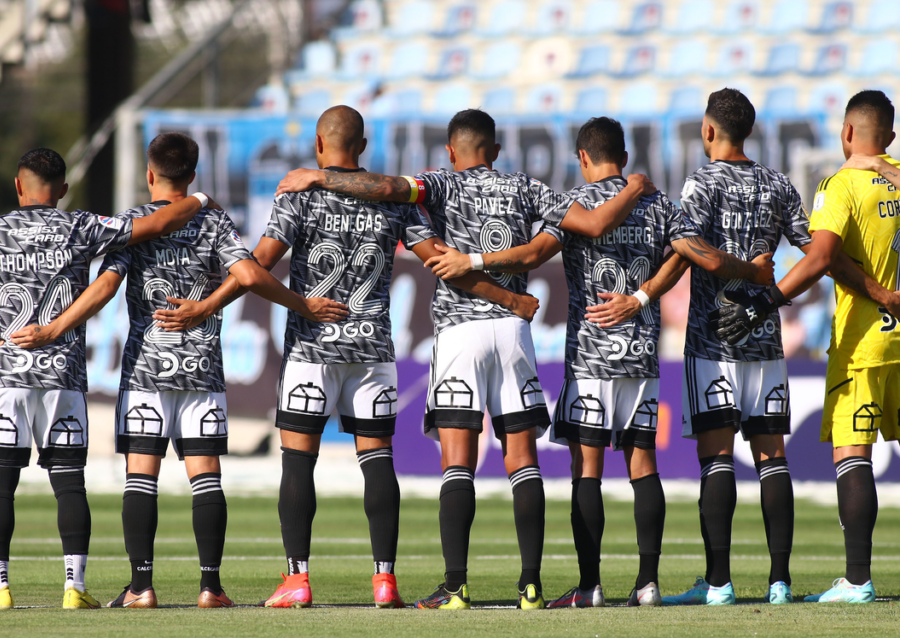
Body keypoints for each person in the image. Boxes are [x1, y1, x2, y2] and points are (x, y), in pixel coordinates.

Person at [273, 108, 759, 610]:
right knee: (531, 462)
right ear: (497, 151)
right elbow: (602, 231)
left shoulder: (437, 185)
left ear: (450, 152)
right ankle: (534, 586)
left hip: (463, 333)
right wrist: (635, 195)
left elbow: (388, 188)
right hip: (522, 336)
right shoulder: (529, 187)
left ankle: (457, 587)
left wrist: (320, 176)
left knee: (459, 462)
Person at [160, 106, 536, 608]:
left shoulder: (300, 193)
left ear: (320, 144)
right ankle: (385, 580)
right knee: (378, 462)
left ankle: (298, 579)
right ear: (361, 147)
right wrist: (508, 298)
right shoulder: (394, 204)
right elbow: (443, 264)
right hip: (372, 350)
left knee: (298, 462)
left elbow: (259, 264)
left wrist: (205, 306)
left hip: (311, 350)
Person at [422, 116, 775, 608]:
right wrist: (644, 294)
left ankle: (589, 587)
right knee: (642, 465)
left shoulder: (576, 203)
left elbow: (532, 255)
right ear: (625, 158)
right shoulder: (659, 204)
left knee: (587, 469)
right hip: (641, 354)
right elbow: (689, 254)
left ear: (583, 158)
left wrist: (476, 261)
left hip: (589, 355)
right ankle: (648, 584)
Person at [11, 134, 346, 609]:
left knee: (140, 478)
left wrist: (55, 328)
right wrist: (302, 304)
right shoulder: (212, 220)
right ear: (192, 176)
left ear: (150, 174)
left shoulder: (133, 224)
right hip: (202, 373)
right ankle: (211, 587)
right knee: (206, 477)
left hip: (145, 371)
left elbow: (105, 287)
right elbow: (249, 275)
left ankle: (141, 587)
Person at [664, 89, 900, 606]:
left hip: (713, 340)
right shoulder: (777, 183)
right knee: (772, 459)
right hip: (766, 341)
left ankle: (718, 585)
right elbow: (823, 254)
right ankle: (780, 582)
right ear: (748, 131)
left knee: (716, 461)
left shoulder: (701, 182)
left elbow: (689, 246)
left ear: (709, 131)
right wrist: (880, 291)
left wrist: (740, 269)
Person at [0, 148, 220, 609]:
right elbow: (157, 224)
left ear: (18, 186)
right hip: (64, 375)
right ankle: (75, 587)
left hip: (8, 374)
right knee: (70, 483)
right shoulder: (82, 226)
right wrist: (201, 196)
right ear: (64, 190)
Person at [724, 91, 900, 602]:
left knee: (852, 454)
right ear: (891, 137)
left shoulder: (840, 185)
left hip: (861, 345)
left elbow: (822, 258)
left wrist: (768, 299)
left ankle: (857, 579)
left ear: (847, 133)